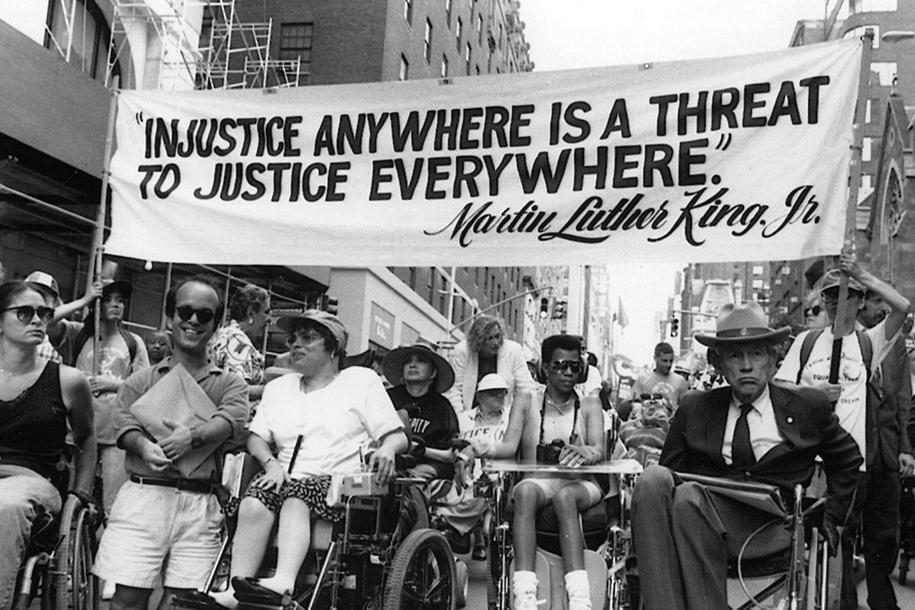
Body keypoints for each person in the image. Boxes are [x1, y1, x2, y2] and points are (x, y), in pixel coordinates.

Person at [631, 301, 862, 610]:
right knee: (654, 479)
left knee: (687, 499)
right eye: (735, 355)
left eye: (756, 354)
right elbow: (669, 477)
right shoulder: (695, 408)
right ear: (719, 363)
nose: (746, 366)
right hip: (701, 520)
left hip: (772, 526)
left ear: (772, 359)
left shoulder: (807, 406)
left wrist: (831, 521)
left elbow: (848, 461)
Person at [203, 310, 406, 609]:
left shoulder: (361, 382)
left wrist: (388, 449)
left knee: (297, 497)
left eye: (308, 338)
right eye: (293, 338)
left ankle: (283, 580)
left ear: (333, 346)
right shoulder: (278, 388)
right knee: (254, 500)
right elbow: (257, 437)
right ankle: (236, 590)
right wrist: (270, 464)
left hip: (340, 484)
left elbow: (396, 435)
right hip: (285, 475)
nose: (295, 344)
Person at [92, 277, 249, 610]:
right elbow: (124, 426)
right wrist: (142, 446)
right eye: (185, 311)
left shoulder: (230, 383)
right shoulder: (140, 380)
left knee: (184, 605)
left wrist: (192, 436)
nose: (193, 320)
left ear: (215, 325)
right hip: (144, 496)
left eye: (204, 315)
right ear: (169, 317)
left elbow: (232, 420)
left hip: (200, 503)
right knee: (127, 599)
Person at [775, 257, 912, 610]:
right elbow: (780, 395)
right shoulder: (806, 343)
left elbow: (902, 307)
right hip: (810, 463)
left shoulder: (869, 344)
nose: (838, 303)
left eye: (847, 295)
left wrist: (862, 275)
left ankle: (842, 602)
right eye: (831, 297)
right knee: (812, 541)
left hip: (853, 467)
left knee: (843, 544)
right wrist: (815, 397)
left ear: (860, 302)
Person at [472, 334, 605, 610]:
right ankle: (524, 592)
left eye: (574, 366)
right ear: (545, 368)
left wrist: (587, 452)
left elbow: (598, 449)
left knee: (565, 498)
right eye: (559, 365)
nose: (568, 372)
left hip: (580, 484)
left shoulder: (591, 404)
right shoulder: (526, 400)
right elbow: (508, 446)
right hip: (538, 482)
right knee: (525, 491)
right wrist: (478, 448)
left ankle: (580, 597)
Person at [0, 280, 97, 608]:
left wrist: (80, 493)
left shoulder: (68, 380)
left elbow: (86, 437)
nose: (38, 320)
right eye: (24, 313)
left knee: (5, 505)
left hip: (33, 483)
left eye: (44, 313)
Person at [72, 278, 149, 518]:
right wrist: (85, 298)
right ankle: (70, 550)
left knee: (114, 500)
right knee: (75, 497)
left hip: (116, 428)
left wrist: (112, 383)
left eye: (120, 301)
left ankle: (106, 547)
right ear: (97, 305)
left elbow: (146, 385)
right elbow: (49, 321)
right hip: (81, 427)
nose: (115, 305)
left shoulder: (133, 342)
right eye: (107, 300)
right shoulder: (78, 334)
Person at [382, 344, 459, 481]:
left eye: (421, 360)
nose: (412, 365)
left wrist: (421, 450)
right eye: (408, 361)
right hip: (388, 463)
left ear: (433, 373)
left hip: (427, 468)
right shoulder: (386, 398)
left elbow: (450, 455)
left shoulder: (442, 407)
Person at [445, 314, 536, 413]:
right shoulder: (461, 351)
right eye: (490, 338)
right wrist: (461, 419)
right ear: (478, 340)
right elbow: (454, 389)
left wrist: (516, 418)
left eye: (497, 336)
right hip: (468, 415)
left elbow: (526, 389)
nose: (496, 342)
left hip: (504, 418)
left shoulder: (514, 351)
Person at [208, 284, 270, 402]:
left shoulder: (224, 333)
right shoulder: (238, 340)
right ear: (250, 312)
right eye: (266, 312)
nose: (269, 319)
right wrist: (272, 389)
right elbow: (237, 389)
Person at [631, 342, 688, 411]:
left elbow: (685, 408)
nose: (668, 364)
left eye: (671, 361)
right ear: (655, 358)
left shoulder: (680, 381)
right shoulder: (643, 379)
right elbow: (634, 403)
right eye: (664, 361)